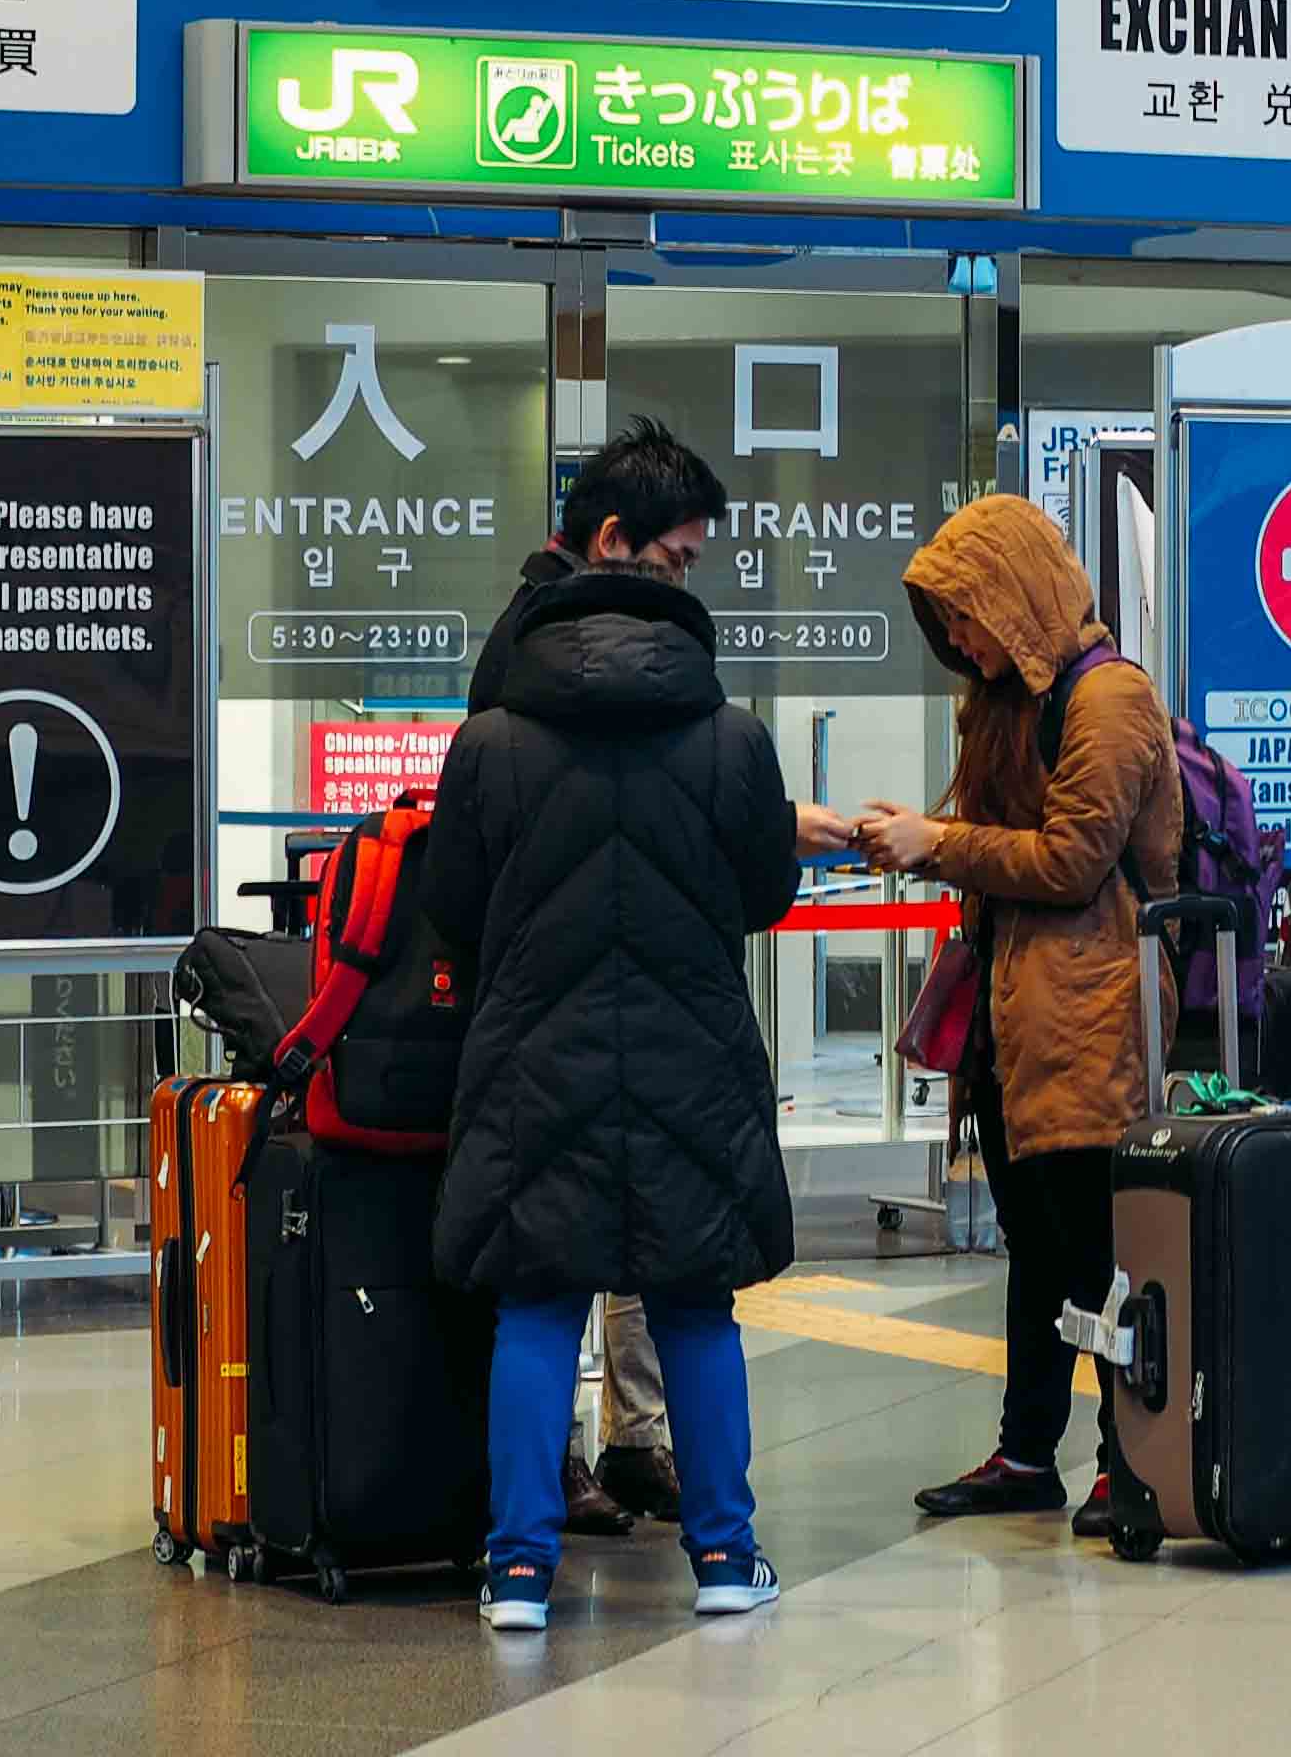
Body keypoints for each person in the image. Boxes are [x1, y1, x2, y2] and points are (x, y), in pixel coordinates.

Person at [419, 429, 809, 1632]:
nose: (691, 579)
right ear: (617, 546)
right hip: (693, 1058)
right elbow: (768, 894)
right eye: (682, 559)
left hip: (536, 1056)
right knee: (695, 1306)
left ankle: (522, 1572)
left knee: (536, 1305)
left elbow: (455, 908)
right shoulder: (733, 737)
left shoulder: (490, 739)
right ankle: (728, 1563)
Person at [855, 494, 1184, 1539]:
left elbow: (1074, 860)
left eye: (967, 614)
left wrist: (936, 844)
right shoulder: (1001, 700)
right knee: (1035, 1250)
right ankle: (1027, 1449)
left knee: (1098, 1247)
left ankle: (1127, 1454)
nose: (957, 638)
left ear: (1018, 596)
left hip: (1094, 1008)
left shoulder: (1111, 698)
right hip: (1014, 1013)